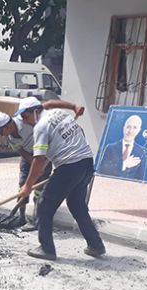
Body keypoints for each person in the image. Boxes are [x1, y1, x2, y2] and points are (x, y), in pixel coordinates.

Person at [17, 98, 106, 261]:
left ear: (34, 111)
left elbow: (38, 160)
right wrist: (73, 105)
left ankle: (46, 249)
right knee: (77, 205)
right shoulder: (60, 114)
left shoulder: (41, 127)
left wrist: (28, 185)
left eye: (25, 117)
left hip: (69, 166)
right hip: (86, 163)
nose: (25, 121)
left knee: (44, 205)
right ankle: (96, 245)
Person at [0, 97, 82, 231]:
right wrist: (34, 164)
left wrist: (73, 106)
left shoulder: (27, 119)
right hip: (30, 158)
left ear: (7, 126)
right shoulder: (10, 138)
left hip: (44, 155)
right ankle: (20, 217)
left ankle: (37, 220)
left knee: (39, 191)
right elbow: (22, 152)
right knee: (23, 187)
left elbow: (48, 108)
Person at [96, 115, 147, 180]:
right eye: (128, 127)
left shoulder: (141, 152)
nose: (130, 131)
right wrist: (123, 164)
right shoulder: (110, 148)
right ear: (124, 128)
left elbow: (140, 179)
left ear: (139, 130)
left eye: (134, 128)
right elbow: (102, 170)